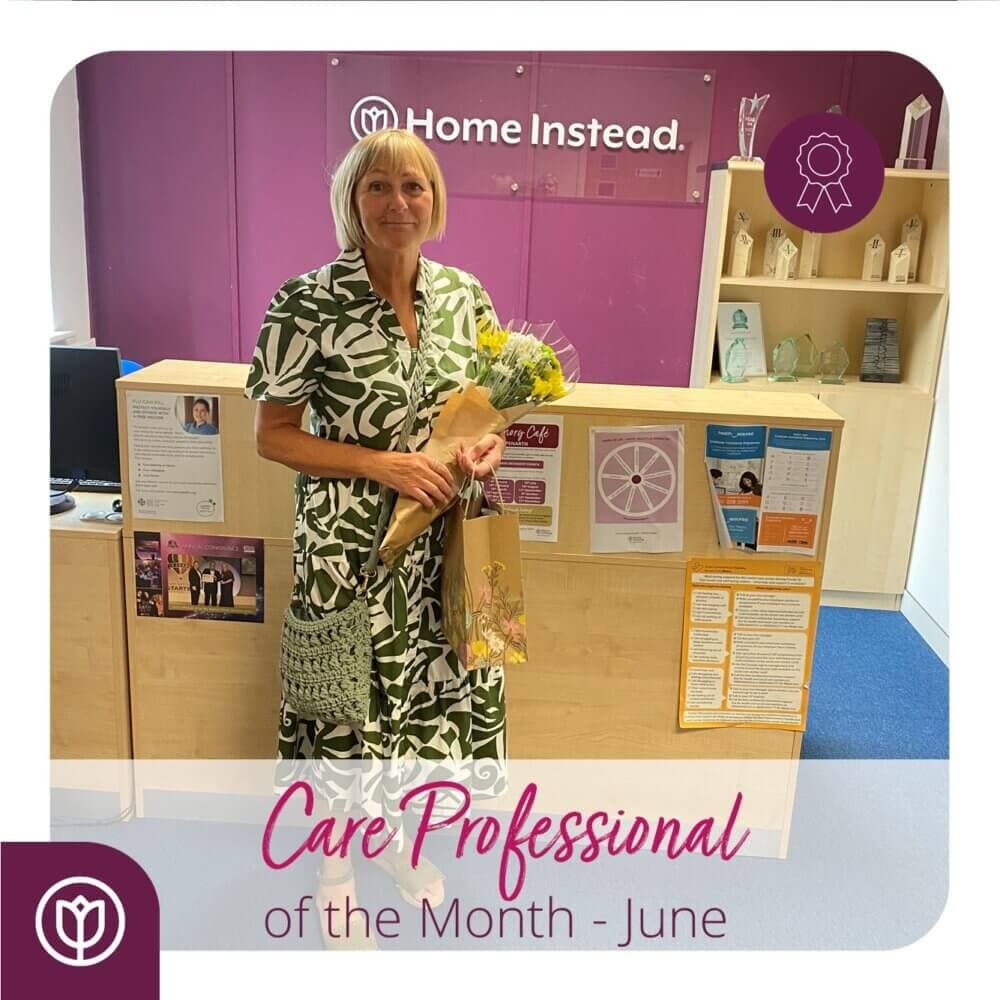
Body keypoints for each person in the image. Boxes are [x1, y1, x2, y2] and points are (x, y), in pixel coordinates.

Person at [245, 129, 506, 940]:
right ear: (351, 202)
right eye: (379, 188)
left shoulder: (467, 297)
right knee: (340, 705)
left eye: (415, 186)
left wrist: (487, 445)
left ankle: (401, 843)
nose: (399, 203)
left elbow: (489, 410)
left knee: (429, 700)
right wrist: (381, 465)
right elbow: (274, 435)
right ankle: (335, 860)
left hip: (442, 544)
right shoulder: (305, 302)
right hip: (346, 550)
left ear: (436, 199)